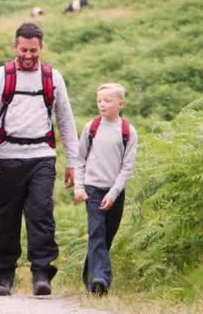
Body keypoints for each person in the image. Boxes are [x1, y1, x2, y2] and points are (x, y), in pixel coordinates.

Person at [0, 22, 79, 296]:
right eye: (23, 50)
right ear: (15, 47)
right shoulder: (0, 77)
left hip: (42, 157)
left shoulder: (53, 78)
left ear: (41, 47)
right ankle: (4, 276)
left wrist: (73, 163)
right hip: (6, 157)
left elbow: (66, 122)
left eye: (33, 50)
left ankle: (42, 274)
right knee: (6, 217)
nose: (28, 55)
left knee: (41, 214)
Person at [74, 83, 138, 296]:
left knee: (105, 237)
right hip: (92, 190)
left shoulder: (128, 132)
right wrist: (79, 187)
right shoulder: (91, 128)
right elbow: (79, 158)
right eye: (99, 100)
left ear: (120, 103)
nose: (102, 104)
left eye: (107, 100)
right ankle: (101, 281)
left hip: (115, 193)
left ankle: (90, 276)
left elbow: (127, 168)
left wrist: (112, 195)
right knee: (97, 233)